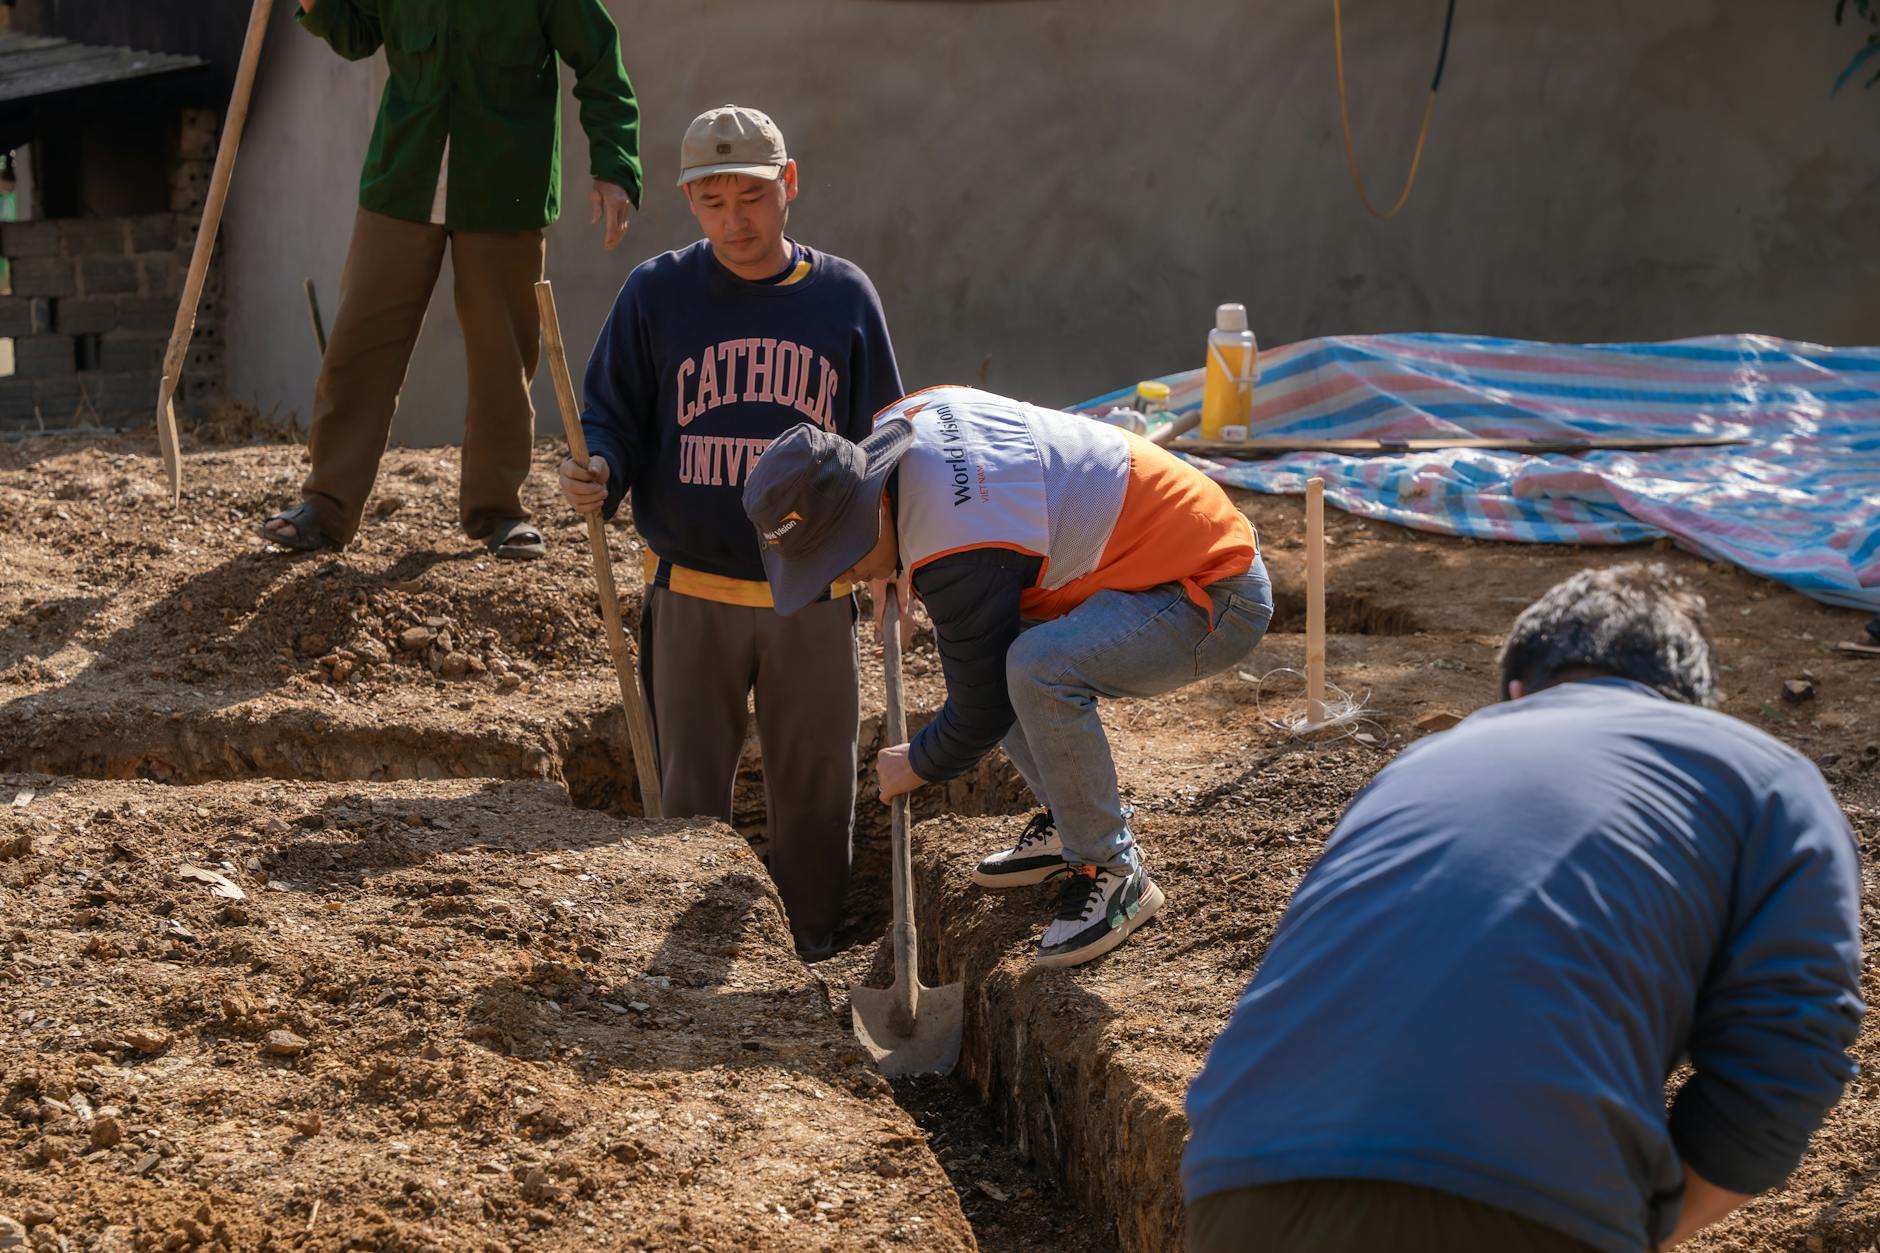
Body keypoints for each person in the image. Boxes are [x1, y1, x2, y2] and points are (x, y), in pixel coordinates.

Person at [1182, 563, 1865, 1253]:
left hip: (1241, 1175)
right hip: (1530, 1193)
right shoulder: (1768, 779)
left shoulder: (1416, 766)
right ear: (1692, 704)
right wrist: (1647, 1222)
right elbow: (1792, 1042)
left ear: (1515, 690)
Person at [740, 385, 1273, 968]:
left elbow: (984, 705)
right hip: (1152, 546)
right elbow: (971, 530)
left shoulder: (956, 549)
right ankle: (1069, 821)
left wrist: (916, 762)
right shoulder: (903, 425)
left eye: (841, 559)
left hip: (1209, 589)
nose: (845, 576)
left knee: (1034, 668)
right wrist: (887, 563)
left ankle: (1112, 870)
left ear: (873, 506)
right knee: (987, 640)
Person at [561, 105, 902, 960]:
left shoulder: (843, 298)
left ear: (787, 186)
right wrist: (598, 467)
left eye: (749, 196)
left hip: (814, 596)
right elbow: (612, 417)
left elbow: (887, 437)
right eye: (711, 202)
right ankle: (687, 963)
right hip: (692, 593)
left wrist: (895, 555)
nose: (734, 220)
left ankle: (814, 954)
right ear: (689, 203)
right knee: (687, 799)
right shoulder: (657, 293)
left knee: (817, 792)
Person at [261, 0, 642, 558]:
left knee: (502, 357)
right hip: (402, 180)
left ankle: (499, 513)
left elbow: (600, 61)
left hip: (504, 187)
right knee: (358, 347)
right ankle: (326, 506)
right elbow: (358, 33)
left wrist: (614, 168)